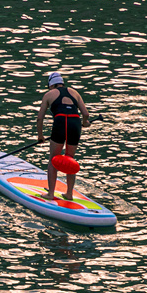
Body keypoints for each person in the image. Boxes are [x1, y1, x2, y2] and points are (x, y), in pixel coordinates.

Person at [36, 72, 91, 201]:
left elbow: (40, 118)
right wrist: (84, 123)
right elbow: (86, 113)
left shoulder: (49, 94)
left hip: (61, 122)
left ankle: (51, 194)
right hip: (74, 122)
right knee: (70, 159)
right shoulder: (74, 92)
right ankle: (69, 194)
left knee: (53, 160)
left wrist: (40, 136)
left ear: (51, 85)